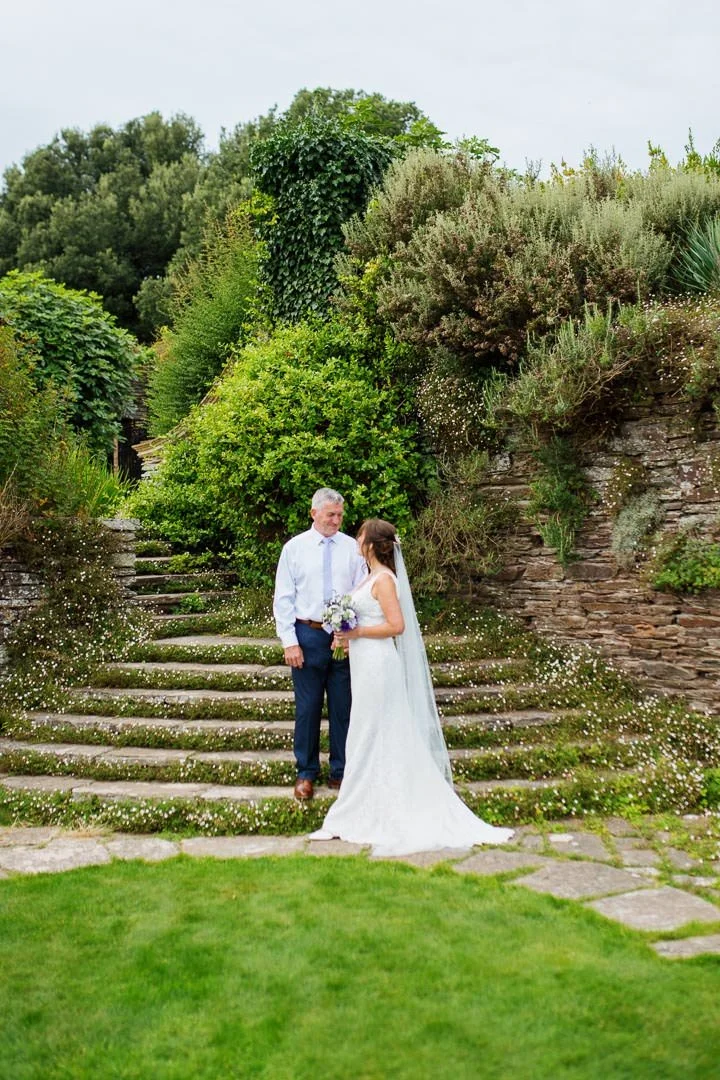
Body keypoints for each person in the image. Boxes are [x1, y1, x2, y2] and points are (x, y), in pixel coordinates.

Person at [309, 518, 514, 856]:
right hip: (363, 663)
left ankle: (371, 811)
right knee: (368, 732)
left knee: (371, 732)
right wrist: (347, 636)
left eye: (360, 536)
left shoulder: (385, 580)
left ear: (372, 544)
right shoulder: (370, 577)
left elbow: (397, 625)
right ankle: (363, 806)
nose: (356, 540)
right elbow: (366, 619)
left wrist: (357, 633)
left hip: (378, 666)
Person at [274, 488, 366, 800]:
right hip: (308, 634)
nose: (336, 520)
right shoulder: (295, 549)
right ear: (314, 513)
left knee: (343, 706)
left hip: (343, 637)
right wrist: (290, 642)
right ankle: (306, 773)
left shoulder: (352, 548)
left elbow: (360, 592)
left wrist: (349, 633)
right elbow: (284, 597)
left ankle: (340, 771)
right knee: (308, 707)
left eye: (340, 515)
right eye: (331, 514)